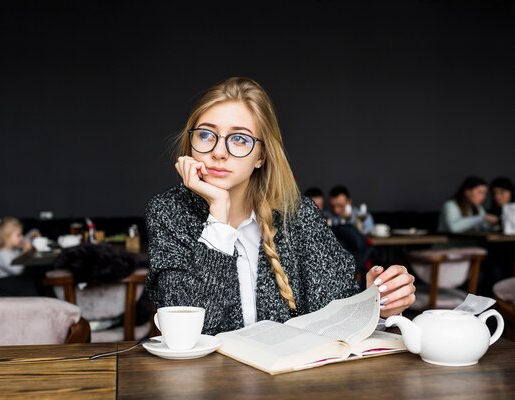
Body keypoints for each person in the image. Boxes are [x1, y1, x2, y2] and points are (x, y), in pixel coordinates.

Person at [145, 76, 416, 335]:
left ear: (261, 156)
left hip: (289, 381)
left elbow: (338, 317)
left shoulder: (297, 214)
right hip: (207, 381)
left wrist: (376, 306)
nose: (218, 151)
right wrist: (218, 212)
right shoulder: (169, 212)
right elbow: (187, 330)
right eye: (206, 135)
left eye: (239, 139)